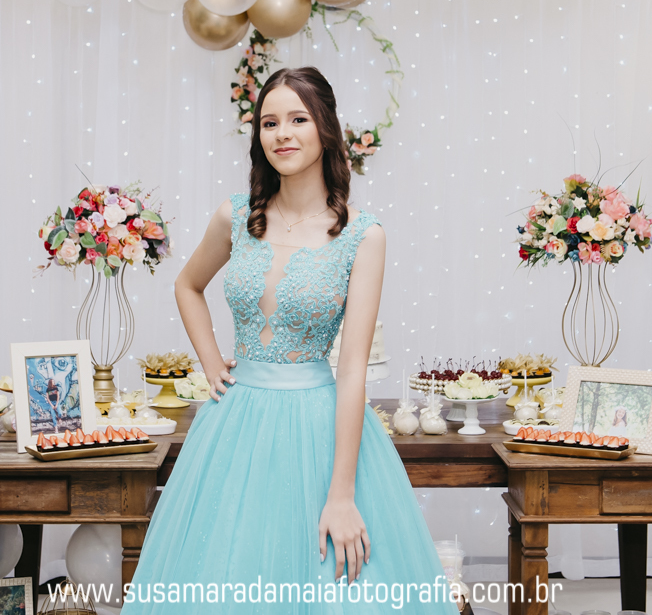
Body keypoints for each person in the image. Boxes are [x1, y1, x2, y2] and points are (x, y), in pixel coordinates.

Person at [123, 68, 457, 612]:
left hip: (318, 428)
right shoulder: (236, 216)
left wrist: (342, 495)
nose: (282, 134)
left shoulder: (363, 235)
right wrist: (211, 362)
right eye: (269, 122)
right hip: (234, 425)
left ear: (325, 128)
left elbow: (351, 370)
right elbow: (187, 285)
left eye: (298, 119)